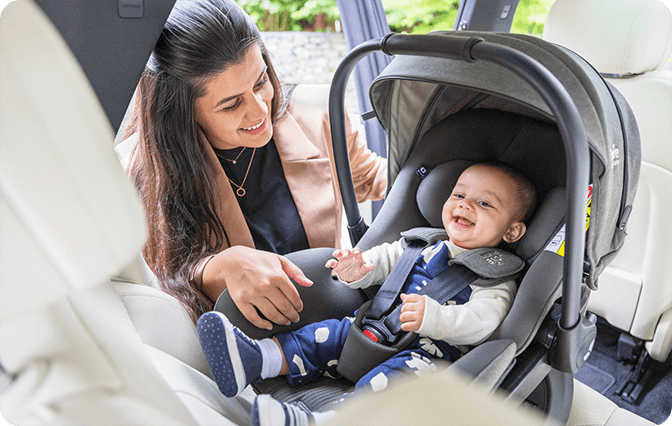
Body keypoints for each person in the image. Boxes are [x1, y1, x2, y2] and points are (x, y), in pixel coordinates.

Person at [197, 162, 537, 426]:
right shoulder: (423, 244)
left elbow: (483, 322)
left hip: (429, 354)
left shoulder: (495, 276)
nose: (465, 206)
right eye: (459, 196)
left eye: (484, 203)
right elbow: (385, 259)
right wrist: (358, 269)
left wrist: (434, 318)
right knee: (320, 336)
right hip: (372, 327)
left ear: (512, 231)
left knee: (389, 384)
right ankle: (254, 359)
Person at [122, 0, 386, 325]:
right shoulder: (142, 176)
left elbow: (373, 178)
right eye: (232, 104)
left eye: (261, 82)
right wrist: (216, 269)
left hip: (332, 325)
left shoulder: (320, 122)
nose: (261, 111)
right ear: (181, 112)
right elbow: (157, 284)